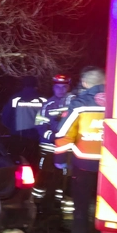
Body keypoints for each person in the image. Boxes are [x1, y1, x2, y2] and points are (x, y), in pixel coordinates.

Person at [54, 66, 105, 233]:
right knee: (108, 210)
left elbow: (64, 134)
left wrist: (60, 160)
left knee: (81, 208)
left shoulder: (80, 104)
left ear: (84, 83)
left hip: (84, 165)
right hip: (114, 167)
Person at [32, 74, 72, 218]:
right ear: (53, 88)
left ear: (68, 87)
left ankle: (59, 203)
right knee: (43, 175)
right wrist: (53, 137)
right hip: (49, 148)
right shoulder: (47, 105)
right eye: (57, 87)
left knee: (64, 176)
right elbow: (40, 125)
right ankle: (37, 204)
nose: (60, 90)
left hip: (67, 148)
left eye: (64, 87)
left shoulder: (74, 103)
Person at [1, 76, 46, 168]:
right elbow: (47, 118)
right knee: (34, 164)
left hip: (18, 138)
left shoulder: (15, 98)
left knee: (18, 165)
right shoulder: (43, 99)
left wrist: (13, 129)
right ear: (36, 85)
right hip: (36, 138)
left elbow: (5, 118)